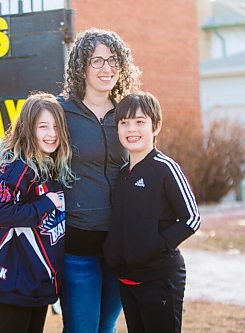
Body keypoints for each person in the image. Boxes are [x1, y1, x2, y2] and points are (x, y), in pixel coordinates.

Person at [58, 28, 141, 332]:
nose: (107, 68)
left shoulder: (128, 112)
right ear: (81, 67)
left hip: (119, 244)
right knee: (82, 329)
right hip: (78, 243)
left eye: (113, 60)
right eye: (97, 61)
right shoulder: (60, 111)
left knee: (106, 327)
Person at [103, 92, 201, 332]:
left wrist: (155, 245)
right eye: (124, 123)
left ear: (155, 126)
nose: (131, 129)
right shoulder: (122, 174)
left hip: (160, 278)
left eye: (139, 122)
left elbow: (192, 218)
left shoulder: (166, 168)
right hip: (127, 280)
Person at [0, 92, 75, 333]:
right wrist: (44, 205)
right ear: (27, 128)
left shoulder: (52, 165)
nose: (52, 134)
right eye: (43, 126)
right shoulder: (17, 166)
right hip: (14, 281)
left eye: (56, 126)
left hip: (38, 281)